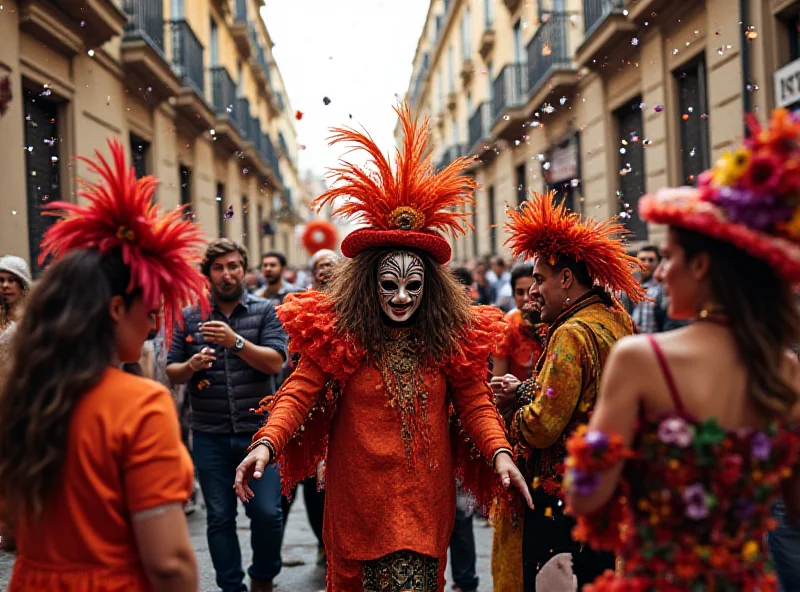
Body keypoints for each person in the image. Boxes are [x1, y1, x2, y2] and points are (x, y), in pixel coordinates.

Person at [233, 104, 532, 592]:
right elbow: (298, 394)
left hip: (423, 502)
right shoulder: (339, 333)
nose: (400, 297)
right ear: (367, 285)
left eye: (413, 286)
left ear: (430, 290)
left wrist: (499, 453)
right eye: (389, 284)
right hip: (357, 504)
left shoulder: (450, 339)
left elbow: (475, 402)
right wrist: (266, 443)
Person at [563, 108, 800, 590]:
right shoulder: (786, 371)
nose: (661, 272)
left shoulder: (640, 359)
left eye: (668, 257)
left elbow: (585, 497)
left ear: (701, 266)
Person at [0, 139, 205, 591]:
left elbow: (11, 533)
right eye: (150, 311)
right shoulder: (141, 403)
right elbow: (169, 563)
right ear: (115, 309)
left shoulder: (21, 394)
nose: (153, 326)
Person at [494, 191, 643, 590]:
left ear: (565, 279)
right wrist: (529, 388)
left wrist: (513, 407)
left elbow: (544, 425)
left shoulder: (571, 334)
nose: (533, 292)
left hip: (562, 499)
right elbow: (587, 396)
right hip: (606, 489)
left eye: (540, 280)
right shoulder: (615, 318)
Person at [166, 238, 287, 592]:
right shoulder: (190, 316)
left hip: (259, 436)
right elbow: (171, 370)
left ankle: (263, 575)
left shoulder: (266, 311)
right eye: (219, 267)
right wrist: (190, 365)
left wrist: (235, 341)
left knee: (268, 515)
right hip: (209, 434)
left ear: (243, 269)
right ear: (208, 274)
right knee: (219, 519)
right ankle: (231, 587)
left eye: (233, 266)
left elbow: (275, 362)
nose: (227, 273)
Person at [490, 262, 546, 592]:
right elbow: (496, 380)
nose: (529, 298)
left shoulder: (557, 321)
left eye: (533, 289)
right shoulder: (509, 325)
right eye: (520, 293)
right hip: (517, 424)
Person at [0, 255, 31, 368]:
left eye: (11, 280)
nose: (5, 285)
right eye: (1, 280)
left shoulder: (33, 316)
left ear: (22, 284)